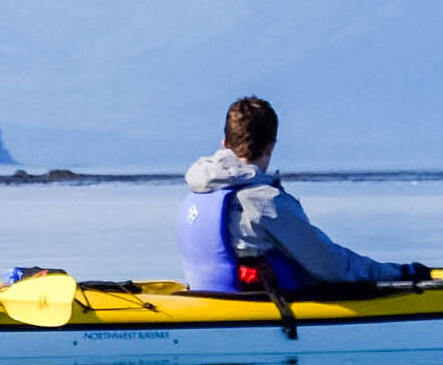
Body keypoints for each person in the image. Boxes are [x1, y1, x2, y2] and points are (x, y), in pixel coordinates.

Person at [183, 96, 429, 292]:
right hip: (262, 304)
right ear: (271, 146)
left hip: (209, 293)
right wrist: (399, 273)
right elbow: (332, 266)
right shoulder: (264, 201)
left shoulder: (199, 191)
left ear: (224, 142)